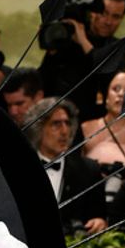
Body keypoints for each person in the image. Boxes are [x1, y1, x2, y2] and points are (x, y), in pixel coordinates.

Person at [24, 97, 107, 235]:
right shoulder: (22, 169)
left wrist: (99, 222)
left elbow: (99, 217)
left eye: (67, 123)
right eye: (56, 124)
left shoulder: (89, 170)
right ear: (38, 128)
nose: (64, 131)